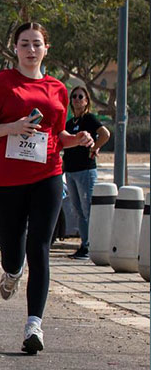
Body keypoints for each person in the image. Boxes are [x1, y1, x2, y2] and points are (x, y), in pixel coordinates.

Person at [0, 22, 92, 354]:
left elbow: (58, 134)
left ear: (46, 48)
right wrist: (13, 127)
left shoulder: (58, 88)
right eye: (25, 44)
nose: (31, 50)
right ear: (15, 48)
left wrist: (77, 139)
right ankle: (11, 271)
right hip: (6, 179)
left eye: (37, 44)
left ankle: (33, 325)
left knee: (39, 246)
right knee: (13, 249)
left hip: (48, 174)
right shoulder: (1, 84)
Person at [63, 86, 110, 260]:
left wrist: (95, 148)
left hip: (86, 170)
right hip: (71, 171)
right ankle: (84, 244)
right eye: (74, 96)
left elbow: (105, 134)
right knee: (77, 210)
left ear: (86, 101)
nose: (76, 99)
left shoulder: (89, 119)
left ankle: (92, 245)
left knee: (88, 208)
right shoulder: (69, 124)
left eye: (80, 96)